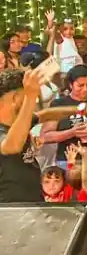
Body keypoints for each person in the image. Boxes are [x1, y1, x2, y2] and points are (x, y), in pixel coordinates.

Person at [0, 66, 50, 203]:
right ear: (16, 98)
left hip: (32, 209)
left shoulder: (20, 123)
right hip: (10, 213)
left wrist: (85, 109)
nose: (33, 104)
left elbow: (45, 115)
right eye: (25, 95)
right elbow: (12, 146)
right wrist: (30, 96)